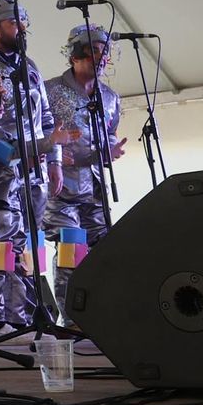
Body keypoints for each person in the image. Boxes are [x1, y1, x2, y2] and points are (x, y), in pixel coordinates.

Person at [0, 0, 77, 337]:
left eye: (23, 23)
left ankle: (20, 319)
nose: (21, 29)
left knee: (22, 246)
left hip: (35, 170)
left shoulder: (30, 65)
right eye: (13, 24)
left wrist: (54, 163)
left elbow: (47, 119)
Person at [43, 24, 125, 321]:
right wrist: (53, 154)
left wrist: (111, 149)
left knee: (104, 252)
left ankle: (103, 316)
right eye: (94, 51)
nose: (101, 58)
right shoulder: (50, 90)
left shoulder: (110, 96)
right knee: (70, 250)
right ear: (75, 55)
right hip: (61, 186)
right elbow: (38, 130)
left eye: (105, 52)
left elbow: (111, 132)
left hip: (96, 186)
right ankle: (71, 319)